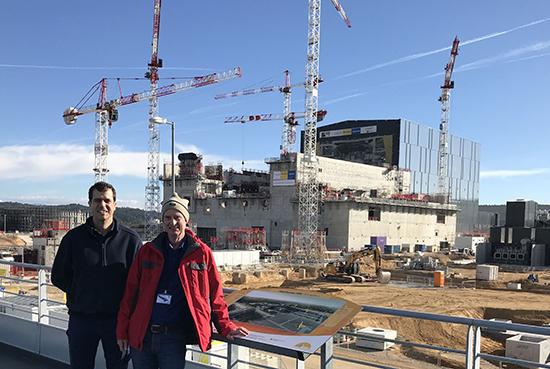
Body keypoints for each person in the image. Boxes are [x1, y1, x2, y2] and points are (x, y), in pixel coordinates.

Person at [116, 193, 248, 369]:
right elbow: (130, 294)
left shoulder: (201, 253)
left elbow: (216, 296)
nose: (172, 223)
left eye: (177, 217)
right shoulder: (147, 251)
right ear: (162, 221)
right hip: (142, 335)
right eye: (167, 218)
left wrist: (225, 326)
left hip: (173, 339)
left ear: (186, 220)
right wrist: (122, 330)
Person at [51, 182, 142, 369]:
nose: (103, 205)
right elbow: (58, 275)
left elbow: (139, 282)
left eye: (107, 200)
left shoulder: (130, 240)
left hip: (118, 322)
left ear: (115, 204)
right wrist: (81, 291)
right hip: (81, 320)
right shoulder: (73, 239)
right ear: (90, 204)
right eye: (97, 200)